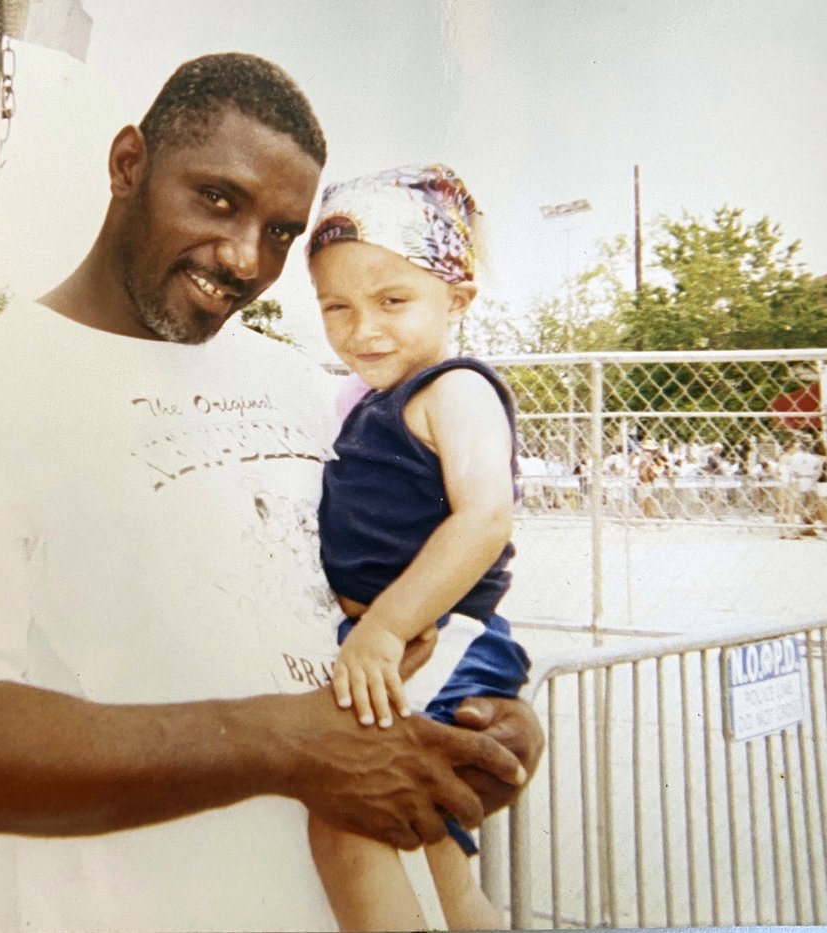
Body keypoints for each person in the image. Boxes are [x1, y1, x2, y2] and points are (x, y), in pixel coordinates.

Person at [0, 53, 543, 932]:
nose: (246, 258)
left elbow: (365, 602)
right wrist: (287, 746)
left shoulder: (300, 385)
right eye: (218, 199)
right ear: (129, 163)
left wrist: (487, 722)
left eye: (283, 232)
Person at [303, 165, 528, 931]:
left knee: (350, 821)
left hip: (439, 637)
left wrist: (387, 625)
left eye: (393, 300)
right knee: (434, 859)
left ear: (455, 299)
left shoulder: (454, 390)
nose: (363, 328)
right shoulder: (365, 401)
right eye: (337, 306)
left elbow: (484, 517)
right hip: (394, 645)